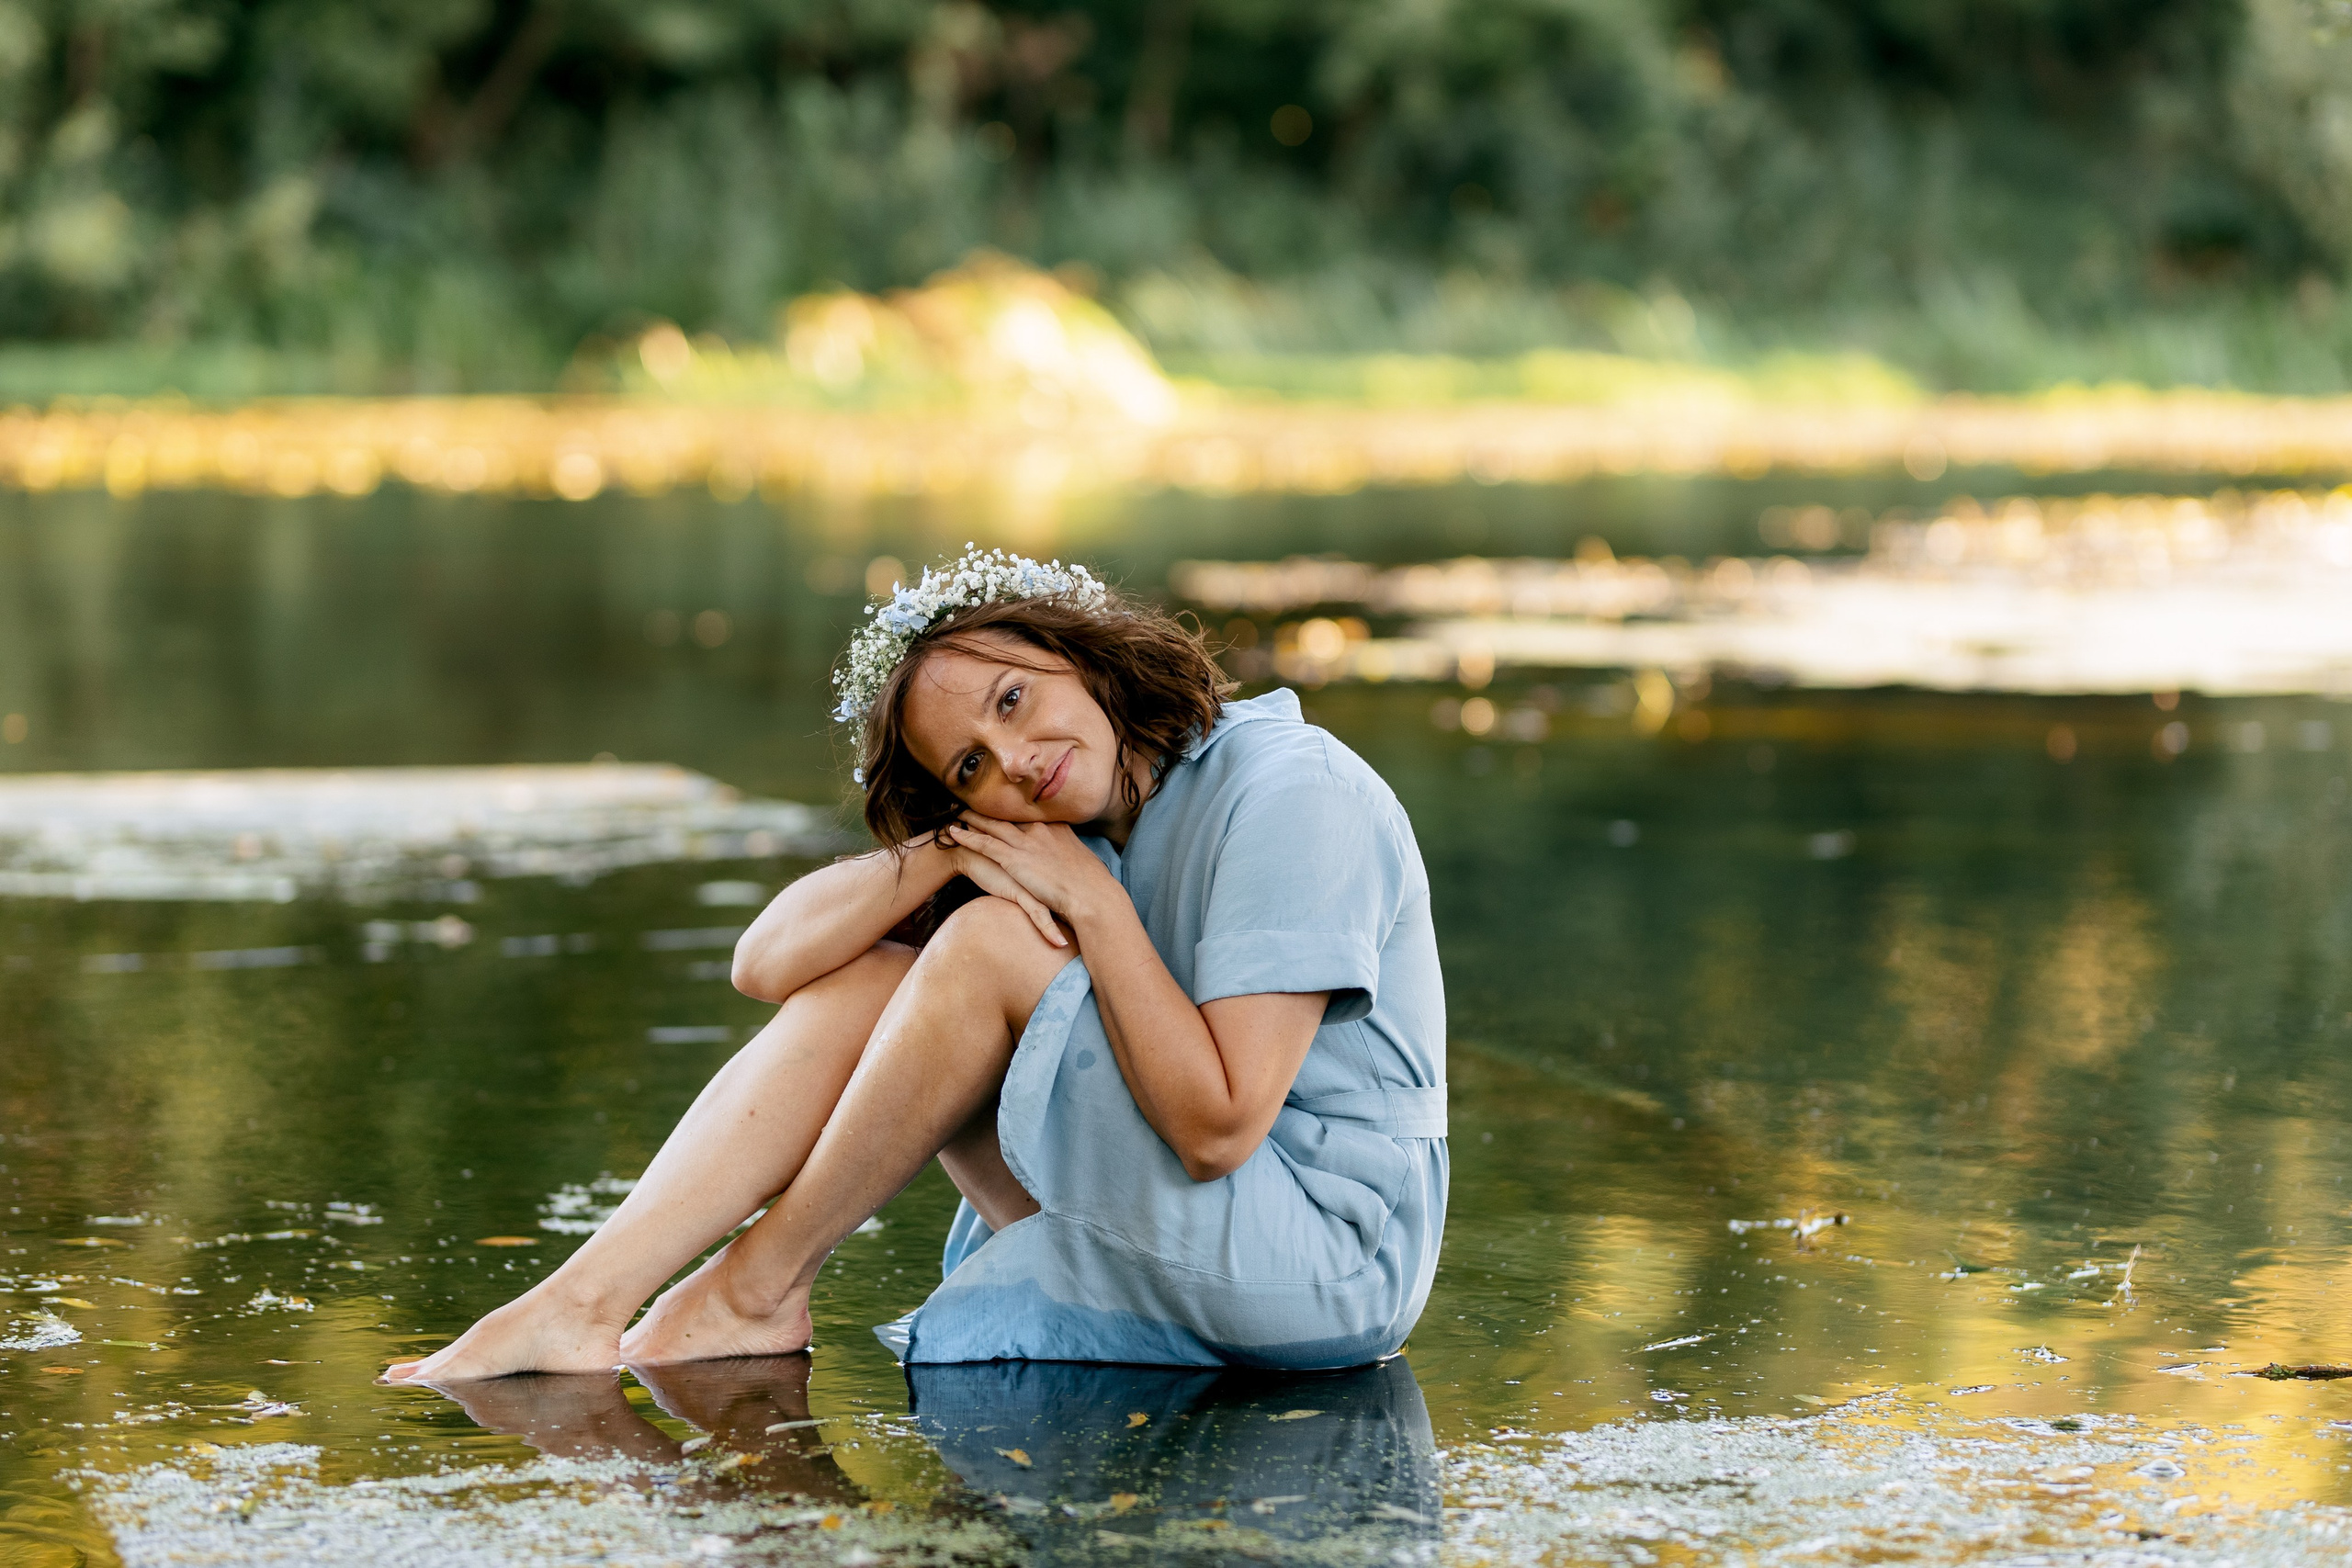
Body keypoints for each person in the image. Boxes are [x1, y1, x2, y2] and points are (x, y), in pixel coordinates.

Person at [382, 547, 1445, 1382]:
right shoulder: (1059, 829)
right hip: (1199, 1225)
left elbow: (1220, 1130)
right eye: (971, 765)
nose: (1017, 763)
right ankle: (581, 1301)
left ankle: (758, 1285)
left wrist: (1089, 901)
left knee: (983, 944)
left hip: (1323, 1261)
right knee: (883, 971)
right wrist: (945, 845)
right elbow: (768, 964)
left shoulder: (1289, 795)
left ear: (1074, 652)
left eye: (1012, 701)